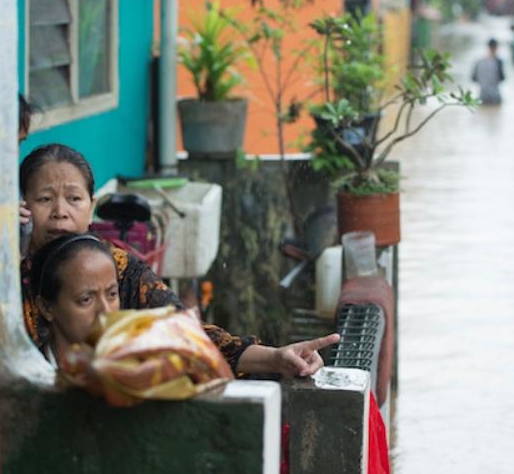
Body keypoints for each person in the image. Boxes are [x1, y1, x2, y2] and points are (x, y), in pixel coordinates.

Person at [20, 142, 339, 376]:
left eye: (73, 198)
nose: (60, 211)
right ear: (22, 205)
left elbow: (189, 335)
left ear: (91, 205)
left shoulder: (119, 269)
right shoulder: (2, 275)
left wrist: (274, 357)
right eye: (45, 199)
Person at [28, 233, 120, 366]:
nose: (106, 311)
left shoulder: (137, 371)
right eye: (86, 299)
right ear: (46, 308)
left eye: (112, 294)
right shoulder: (30, 378)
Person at [471, 38, 505, 105]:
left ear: (488, 47)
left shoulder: (479, 61)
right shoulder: (498, 62)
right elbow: (502, 78)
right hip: (495, 97)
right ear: (496, 47)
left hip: (482, 96)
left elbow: (473, 79)